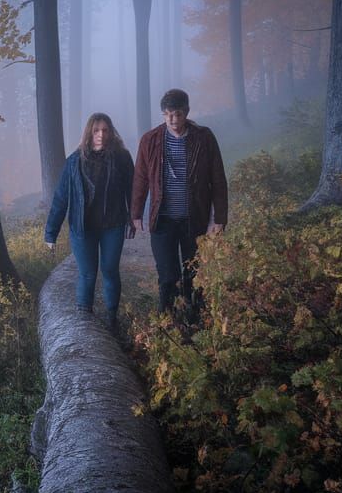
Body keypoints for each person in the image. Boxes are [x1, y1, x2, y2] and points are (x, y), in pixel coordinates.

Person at [131, 88, 228, 319]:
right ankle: (168, 324)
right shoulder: (150, 140)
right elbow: (141, 178)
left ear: (187, 112)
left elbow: (218, 178)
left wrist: (220, 219)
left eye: (178, 114)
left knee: (193, 273)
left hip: (194, 219)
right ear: (163, 114)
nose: (174, 120)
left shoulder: (204, 138)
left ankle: (196, 323)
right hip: (162, 221)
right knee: (167, 276)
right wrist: (135, 213)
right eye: (169, 115)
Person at [45, 113, 136, 334]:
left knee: (110, 271)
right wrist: (51, 233)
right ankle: (84, 322)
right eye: (96, 130)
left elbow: (132, 191)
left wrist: (133, 218)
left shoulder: (122, 157)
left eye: (105, 130)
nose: (101, 135)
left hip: (112, 225)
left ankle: (111, 319)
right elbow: (61, 198)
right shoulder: (74, 161)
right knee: (87, 274)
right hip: (82, 228)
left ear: (111, 132)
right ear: (89, 133)